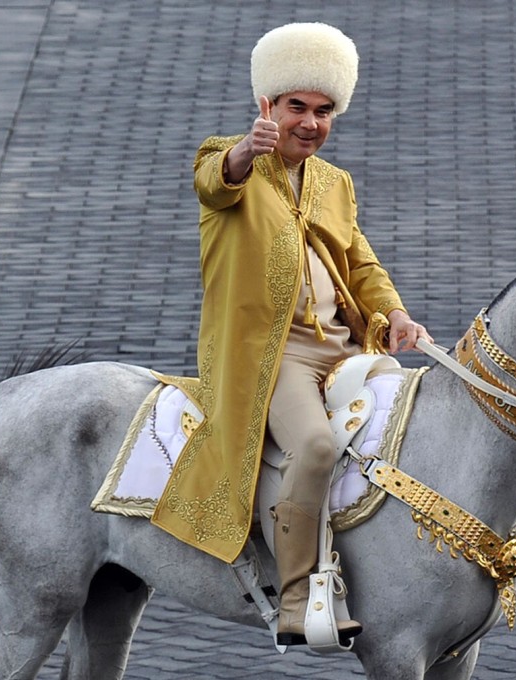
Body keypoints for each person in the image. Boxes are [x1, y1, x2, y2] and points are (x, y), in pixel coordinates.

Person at [151, 22, 431, 647]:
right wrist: (245, 152)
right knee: (317, 447)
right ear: (268, 106)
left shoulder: (335, 183)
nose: (309, 122)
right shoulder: (227, 158)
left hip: (347, 349)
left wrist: (396, 314)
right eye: (296, 107)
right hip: (273, 356)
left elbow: (360, 263)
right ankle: (299, 596)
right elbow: (213, 181)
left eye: (323, 111)